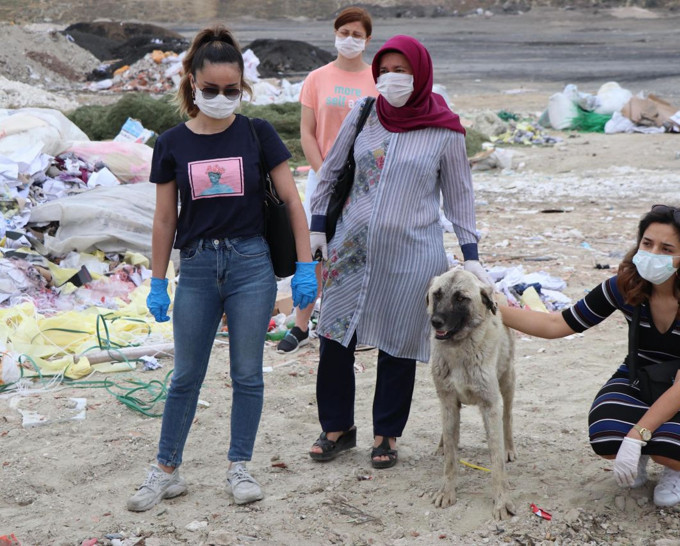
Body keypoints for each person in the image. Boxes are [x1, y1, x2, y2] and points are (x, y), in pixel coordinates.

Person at [126, 25, 317, 512]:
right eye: (211, 89)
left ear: (242, 88)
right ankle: (165, 469)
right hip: (195, 268)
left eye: (231, 91)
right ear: (191, 81)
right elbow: (166, 217)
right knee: (186, 375)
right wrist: (155, 280)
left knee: (247, 373)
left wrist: (303, 266)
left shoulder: (258, 133)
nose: (221, 98)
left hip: (251, 264)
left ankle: (239, 467)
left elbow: (293, 203)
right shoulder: (171, 144)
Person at [306, 35, 493, 469]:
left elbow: (459, 195)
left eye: (401, 70)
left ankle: (386, 435)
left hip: (412, 254)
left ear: (421, 73)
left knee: (399, 344)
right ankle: (336, 428)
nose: (391, 78)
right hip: (350, 249)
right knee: (335, 335)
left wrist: (471, 254)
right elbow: (332, 171)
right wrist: (318, 227)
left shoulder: (444, 129)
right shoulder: (364, 113)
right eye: (384, 70)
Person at [499, 205, 680, 507]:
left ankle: (678, 470)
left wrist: (635, 437)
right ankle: (642, 455)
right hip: (639, 378)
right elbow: (558, 324)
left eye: (666, 248)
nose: (653, 252)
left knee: (672, 447)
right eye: (647, 244)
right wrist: (485, 309)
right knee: (606, 439)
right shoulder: (625, 286)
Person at [276, 6, 379, 354]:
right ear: (335, 34)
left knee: (359, 251)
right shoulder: (317, 78)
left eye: (357, 34)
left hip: (366, 181)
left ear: (367, 40)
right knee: (314, 249)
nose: (349, 39)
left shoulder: (376, 78)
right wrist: (324, 173)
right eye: (344, 32)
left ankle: (356, 326)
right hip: (323, 180)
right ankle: (302, 324)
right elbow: (307, 132)